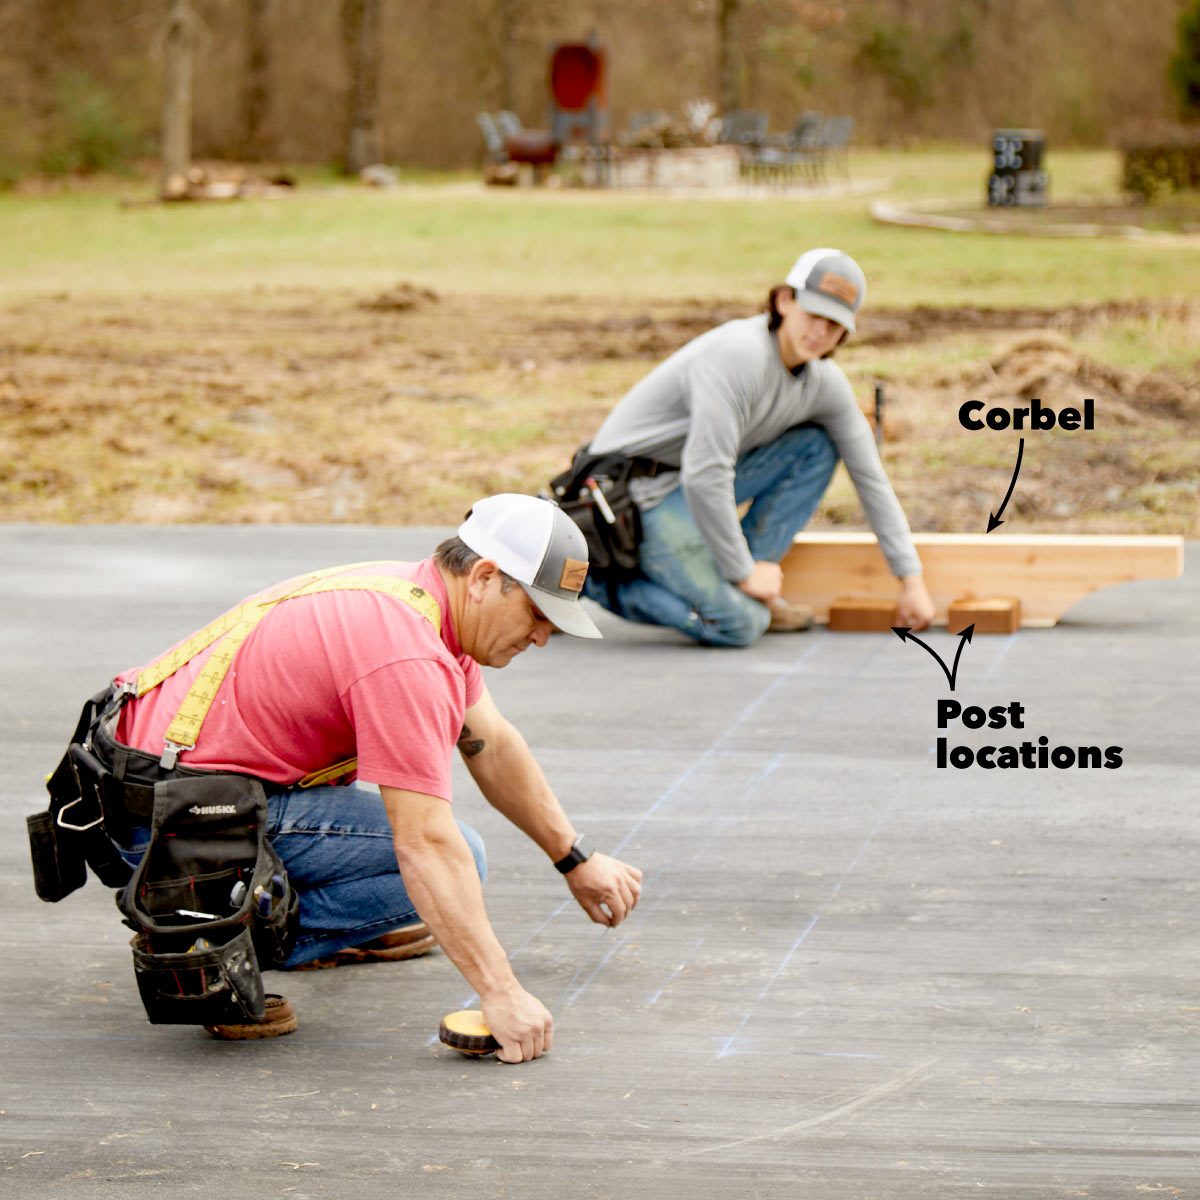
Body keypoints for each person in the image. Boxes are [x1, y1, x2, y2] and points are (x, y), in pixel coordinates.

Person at [92, 494, 643, 1059]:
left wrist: (574, 857)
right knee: (459, 857)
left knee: (439, 868)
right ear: (484, 577)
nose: (543, 637)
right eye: (538, 614)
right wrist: (501, 993)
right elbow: (424, 840)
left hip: (155, 784)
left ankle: (271, 909)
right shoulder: (406, 656)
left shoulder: (423, 602)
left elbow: (492, 743)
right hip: (165, 821)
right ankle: (209, 931)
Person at [580, 247, 936, 647]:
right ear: (785, 301)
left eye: (834, 325)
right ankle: (591, 585)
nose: (820, 332)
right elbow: (706, 475)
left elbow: (871, 478)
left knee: (816, 447)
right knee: (740, 624)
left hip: (686, 484)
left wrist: (911, 580)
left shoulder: (824, 383)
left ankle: (744, 587)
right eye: (813, 314)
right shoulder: (738, 356)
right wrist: (743, 572)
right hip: (635, 496)